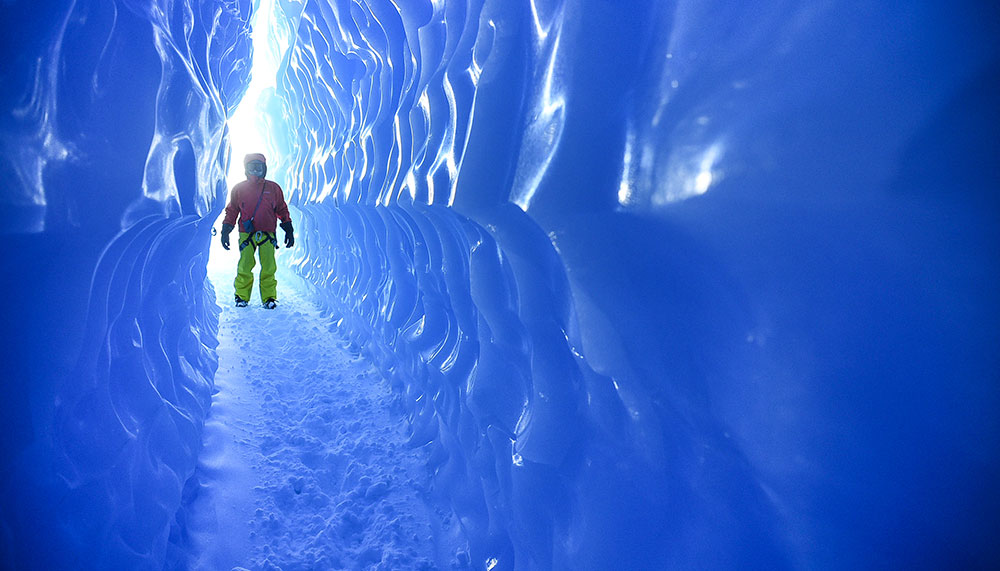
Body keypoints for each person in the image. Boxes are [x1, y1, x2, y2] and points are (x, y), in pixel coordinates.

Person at [220, 153, 295, 309]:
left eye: (258, 167)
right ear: (246, 169)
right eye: (251, 167)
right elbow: (232, 210)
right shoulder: (239, 189)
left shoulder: (273, 188)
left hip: (268, 233)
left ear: (264, 169)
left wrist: (288, 227)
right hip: (246, 234)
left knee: (268, 266)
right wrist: (226, 229)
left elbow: (282, 208)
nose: (255, 171)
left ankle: (269, 298)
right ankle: (241, 297)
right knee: (245, 265)